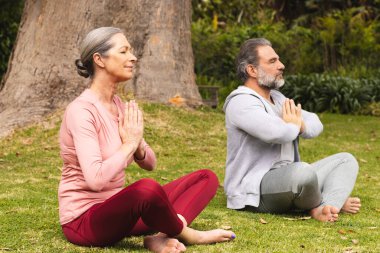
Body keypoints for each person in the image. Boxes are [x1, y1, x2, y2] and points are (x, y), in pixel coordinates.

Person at [58, 27, 235, 252]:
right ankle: (188, 234)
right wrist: (129, 145)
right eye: (123, 51)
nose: (133, 57)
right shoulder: (81, 111)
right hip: (86, 221)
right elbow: (95, 179)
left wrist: (138, 145)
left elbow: (150, 164)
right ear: (99, 59)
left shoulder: (119, 105)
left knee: (205, 178)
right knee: (146, 191)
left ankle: (160, 237)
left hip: (122, 212)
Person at [223, 38, 361, 222]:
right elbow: (277, 133)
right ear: (252, 70)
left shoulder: (277, 98)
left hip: (290, 179)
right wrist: (293, 125)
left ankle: (328, 205)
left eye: (278, 59)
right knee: (303, 173)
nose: (281, 65)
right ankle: (322, 203)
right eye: (272, 61)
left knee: (346, 160)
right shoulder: (241, 102)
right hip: (255, 190)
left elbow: (314, 122)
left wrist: (299, 124)